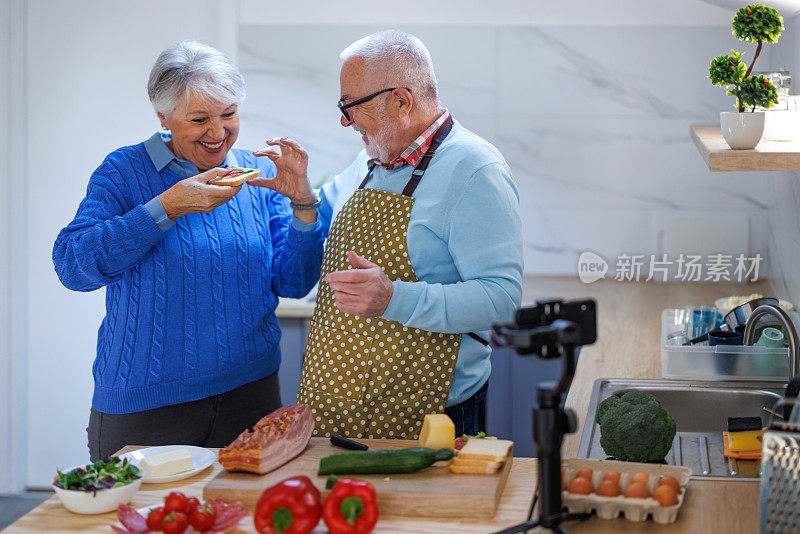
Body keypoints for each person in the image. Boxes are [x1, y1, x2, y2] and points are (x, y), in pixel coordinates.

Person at [52, 41, 324, 461]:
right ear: (163, 116)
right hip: (147, 406)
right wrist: (167, 207)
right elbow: (73, 266)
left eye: (229, 114)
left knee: (243, 523)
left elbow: (293, 281)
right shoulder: (123, 172)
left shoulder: (259, 172)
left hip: (251, 396)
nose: (218, 133)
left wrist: (304, 205)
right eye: (199, 119)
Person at [292, 30, 523, 439]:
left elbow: (501, 299)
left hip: (430, 414)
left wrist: (393, 298)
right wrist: (301, 194)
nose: (344, 121)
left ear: (401, 100)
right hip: (338, 406)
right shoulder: (371, 157)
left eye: (352, 106)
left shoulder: (475, 169)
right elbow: (322, 212)